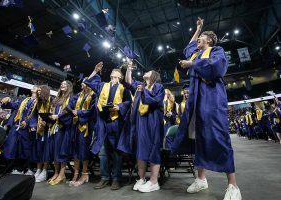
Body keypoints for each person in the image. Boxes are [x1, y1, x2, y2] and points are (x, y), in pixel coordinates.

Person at [171, 17, 242, 199]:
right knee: (197, 139)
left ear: (209, 40)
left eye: (202, 37)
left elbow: (217, 68)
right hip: (195, 101)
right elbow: (188, 49)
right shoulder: (195, 53)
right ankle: (201, 179)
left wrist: (193, 64)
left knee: (219, 137)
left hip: (211, 99)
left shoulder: (216, 50)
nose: (198, 39)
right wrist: (198, 29)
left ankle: (233, 186)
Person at [84, 62, 131, 190]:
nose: (113, 78)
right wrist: (95, 71)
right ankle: (104, 177)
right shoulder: (102, 86)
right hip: (102, 122)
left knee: (116, 152)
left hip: (115, 122)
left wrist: (119, 107)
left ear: (120, 78)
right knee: (103, 152)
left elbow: (128, 102)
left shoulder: (124, 88)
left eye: (116, 77)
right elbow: (88, 82)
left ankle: (116, 178)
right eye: (112, 76)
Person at [123, 65, 164, 193]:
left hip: (153, 119)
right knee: (140, 148)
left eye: (149, 71)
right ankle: (141, 179)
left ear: (153, 76)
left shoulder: (158, 87)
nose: (145, 72)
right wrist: (129, 67)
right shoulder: (141, 86)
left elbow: (156, 101)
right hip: (141, 119)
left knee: (153, 147)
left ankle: (154, 181)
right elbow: (129, 81)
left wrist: (143, 91)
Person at [1, 86, 38, 175]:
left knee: (27, 148)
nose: (34, 87)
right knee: (16, 147)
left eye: (36, 87)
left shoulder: (41, 101)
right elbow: (14, 105)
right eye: (33, 86)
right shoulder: (24, 100)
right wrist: (7, 101)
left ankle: (28, 168)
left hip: (30, 128)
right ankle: (17, 168)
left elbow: (37, 115)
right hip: (18, 126)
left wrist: (28, 122)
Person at [69, 78, 96, 187]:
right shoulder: (79, 95)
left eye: (83, 84)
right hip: (76, 124)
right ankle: (76, 173)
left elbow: (92, 111)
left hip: (87, 126)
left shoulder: (94, 95)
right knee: (76, 149)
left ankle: (85, 174)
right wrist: (71, 109)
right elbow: (71, 103)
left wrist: (79, 112)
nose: (81, 86)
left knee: (83, 150)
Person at [47, 81, 74, 185]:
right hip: (55, 127)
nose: (62, 85)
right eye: (61, 84)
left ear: (69, 87)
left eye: (65, 84)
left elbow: (69, 112)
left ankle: (62, 175)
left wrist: (58, 117)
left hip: (64, 128)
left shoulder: (71, 98)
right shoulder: (56, 98)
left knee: (62, 151)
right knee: (55, 151)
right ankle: (56, 173)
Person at [31, 85, 52, 183]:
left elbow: (54, 115)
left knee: (46, 150)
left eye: (40, 90)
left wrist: (47, 122)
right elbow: (34, 115)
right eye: (38, 90)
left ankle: (44, 171)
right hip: (39, 129)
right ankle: (38, 169)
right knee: (39, 149)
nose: (38, 92)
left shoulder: (51, 101)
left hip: (48, 130)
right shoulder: (38, 102)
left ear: (44, 91)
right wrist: (34, 125)